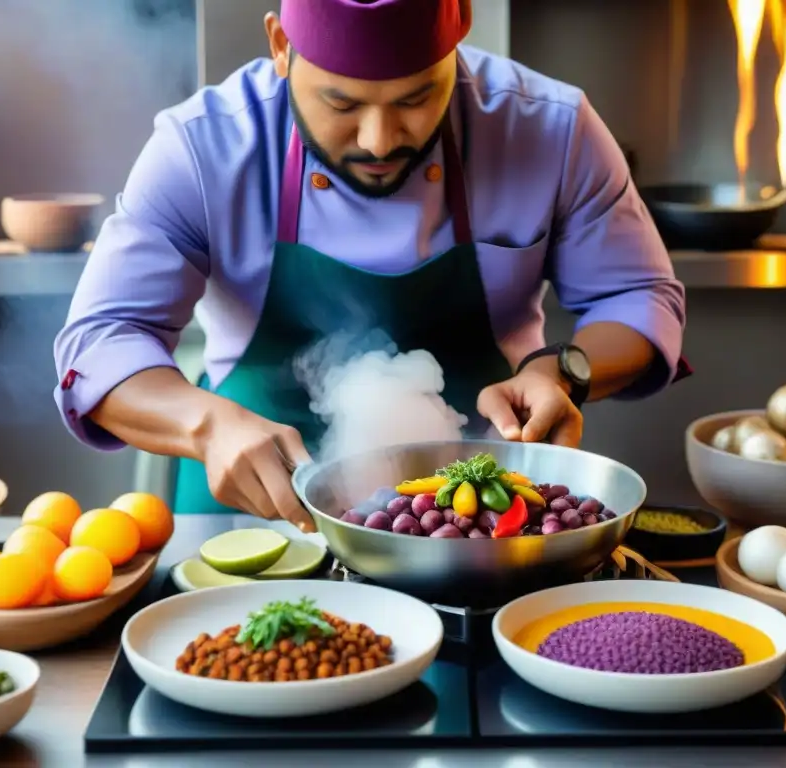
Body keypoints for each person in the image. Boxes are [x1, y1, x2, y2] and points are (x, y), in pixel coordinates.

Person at [53, 0, 689, 533]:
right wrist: (202, 424)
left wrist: (565, 371)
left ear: (462, 24)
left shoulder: (551, 128)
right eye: (342, 103)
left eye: (416, 98)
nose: (380, 140)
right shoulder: (202, 146)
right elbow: (101, 342)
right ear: (280, 44)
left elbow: (638, 296)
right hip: (257, 510)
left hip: (487, 514)